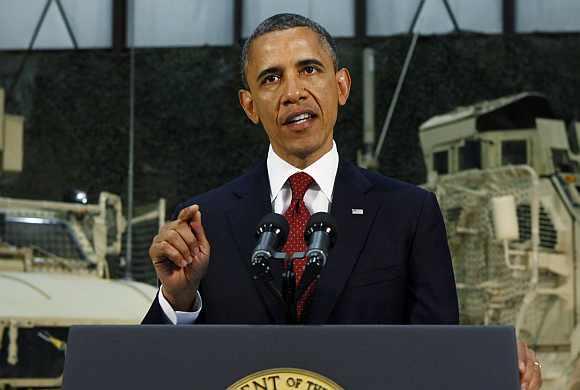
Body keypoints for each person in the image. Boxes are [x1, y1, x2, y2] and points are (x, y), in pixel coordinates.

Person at [142, 13, 542, 389]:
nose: (293, 92)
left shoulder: (408, 213)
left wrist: (490, 361)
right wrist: (178, 299)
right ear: (250, 106)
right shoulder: (205, 221)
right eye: (271, 79)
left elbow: (438, 357)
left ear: (342, 86)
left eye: (309, 70)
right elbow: (148, 370)